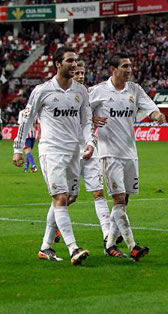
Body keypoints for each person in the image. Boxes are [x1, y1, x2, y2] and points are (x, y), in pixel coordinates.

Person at [12, 47, 94, 265]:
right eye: (69, 60)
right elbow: (27, 120)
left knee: (69, 198)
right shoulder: (42, 90)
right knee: (60, 198)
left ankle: (45, 247)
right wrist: (18, 148)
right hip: (52, 151)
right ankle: (73, 248)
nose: (74, 65)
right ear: (58, 64)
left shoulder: (81, 91)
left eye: (76, 60)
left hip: (74, 151)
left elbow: (86, 121)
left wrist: (90, 142)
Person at [89, 53, 165, 262]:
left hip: (130, 152)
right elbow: (80, 111)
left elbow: (151, 108)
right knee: (119, 198)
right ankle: (132, 245)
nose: (129, 69)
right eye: (125, 66)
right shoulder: (98, 91)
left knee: (124, 201)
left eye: (130, 66)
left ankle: (110, 243)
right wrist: (92, 118)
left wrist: (157, 116)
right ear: (113, 69)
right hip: (109, 152)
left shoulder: (135, 90)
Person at [59, 60, 118, 256]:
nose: (81, 76)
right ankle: (56, 228)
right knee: (68, 197)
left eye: (83, 73)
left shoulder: (88, 93)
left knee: (98, 192)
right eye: (77, 73)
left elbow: (91, 114)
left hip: (90, 148)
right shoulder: (62, 95)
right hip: (69, 150)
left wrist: (93, 119)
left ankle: (107, 235)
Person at [17, 104, 38, 173]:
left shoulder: (21, 113)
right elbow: (36, 123)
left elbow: (20, 124)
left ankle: (34, 166)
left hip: (25, 134)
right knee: (28, 152)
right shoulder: (34, 113)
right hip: (33, 134)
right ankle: (26, 168)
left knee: (27, 151)